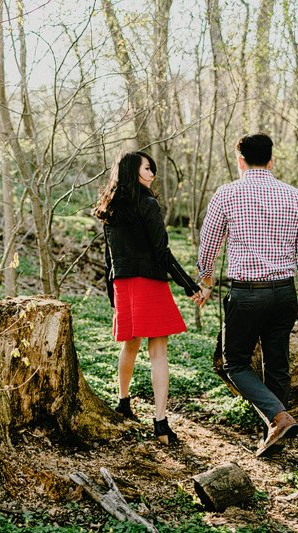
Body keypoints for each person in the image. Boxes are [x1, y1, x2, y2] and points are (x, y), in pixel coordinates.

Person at [195, 133, 298, 457]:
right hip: (283, 294)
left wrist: (205, 281)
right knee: (277, 365)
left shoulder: (227, 194)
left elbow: (208, 246)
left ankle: (278, 419)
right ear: (272, 160)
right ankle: (277, 431)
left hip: (248, 294)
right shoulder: (295, 197)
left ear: (240, 160)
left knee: (234, 362)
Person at [94, 150, 202, 444]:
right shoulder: (149, 204)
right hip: (148, 282)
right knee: (158, 352)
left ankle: (123, 402)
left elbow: (109, 259)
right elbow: (161, 252)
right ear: (131, 171)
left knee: (130, 345)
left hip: (122, 284)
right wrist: (189, 285)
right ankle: (161, 423)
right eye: (146, 168)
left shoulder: (110, 208)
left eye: (153, 168)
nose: (152, 173)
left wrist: (112, 294)